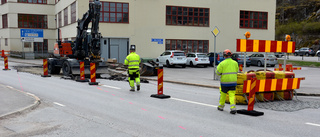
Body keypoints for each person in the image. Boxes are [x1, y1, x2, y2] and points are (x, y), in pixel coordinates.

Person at [216, 49, 239, 114]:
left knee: (223, 94)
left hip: (225, 82)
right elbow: (237, 70)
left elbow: (218, 72)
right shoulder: (235, 63)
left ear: (224, 56)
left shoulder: (222, 63)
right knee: (232, 95)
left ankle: (221, 107)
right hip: (233, 82)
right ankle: (233, 108)